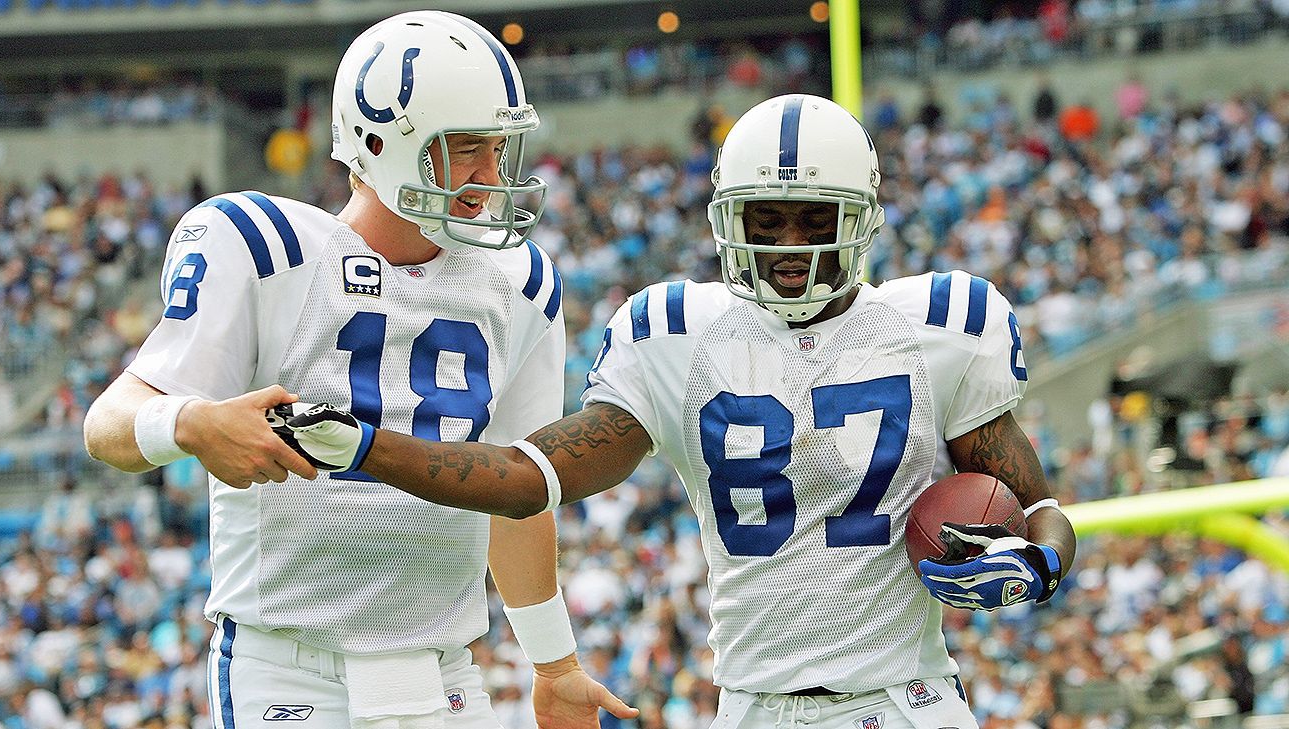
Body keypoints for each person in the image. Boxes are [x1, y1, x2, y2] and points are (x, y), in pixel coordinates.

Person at [274, 95, 1078, 729]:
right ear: (729, 219)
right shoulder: (676, 338)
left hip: (908, 697)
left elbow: (1039, 507)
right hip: (753, 704)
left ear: (859, 219)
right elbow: (525, 480)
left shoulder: (939, 327)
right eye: (766, 220)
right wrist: (365, 447)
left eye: (813, 220)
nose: (789, 247)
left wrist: (1038, 561)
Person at [82, 11, 634, 729]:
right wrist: (188, 422)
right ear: (381, 144)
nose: (491, 174)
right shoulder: (267, 250)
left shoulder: (520, 283)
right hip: (291, 670)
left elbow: (513, 490)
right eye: (465, 147)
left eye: (499, 147)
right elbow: (106, 425)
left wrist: (555, 664)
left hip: (447, 674)